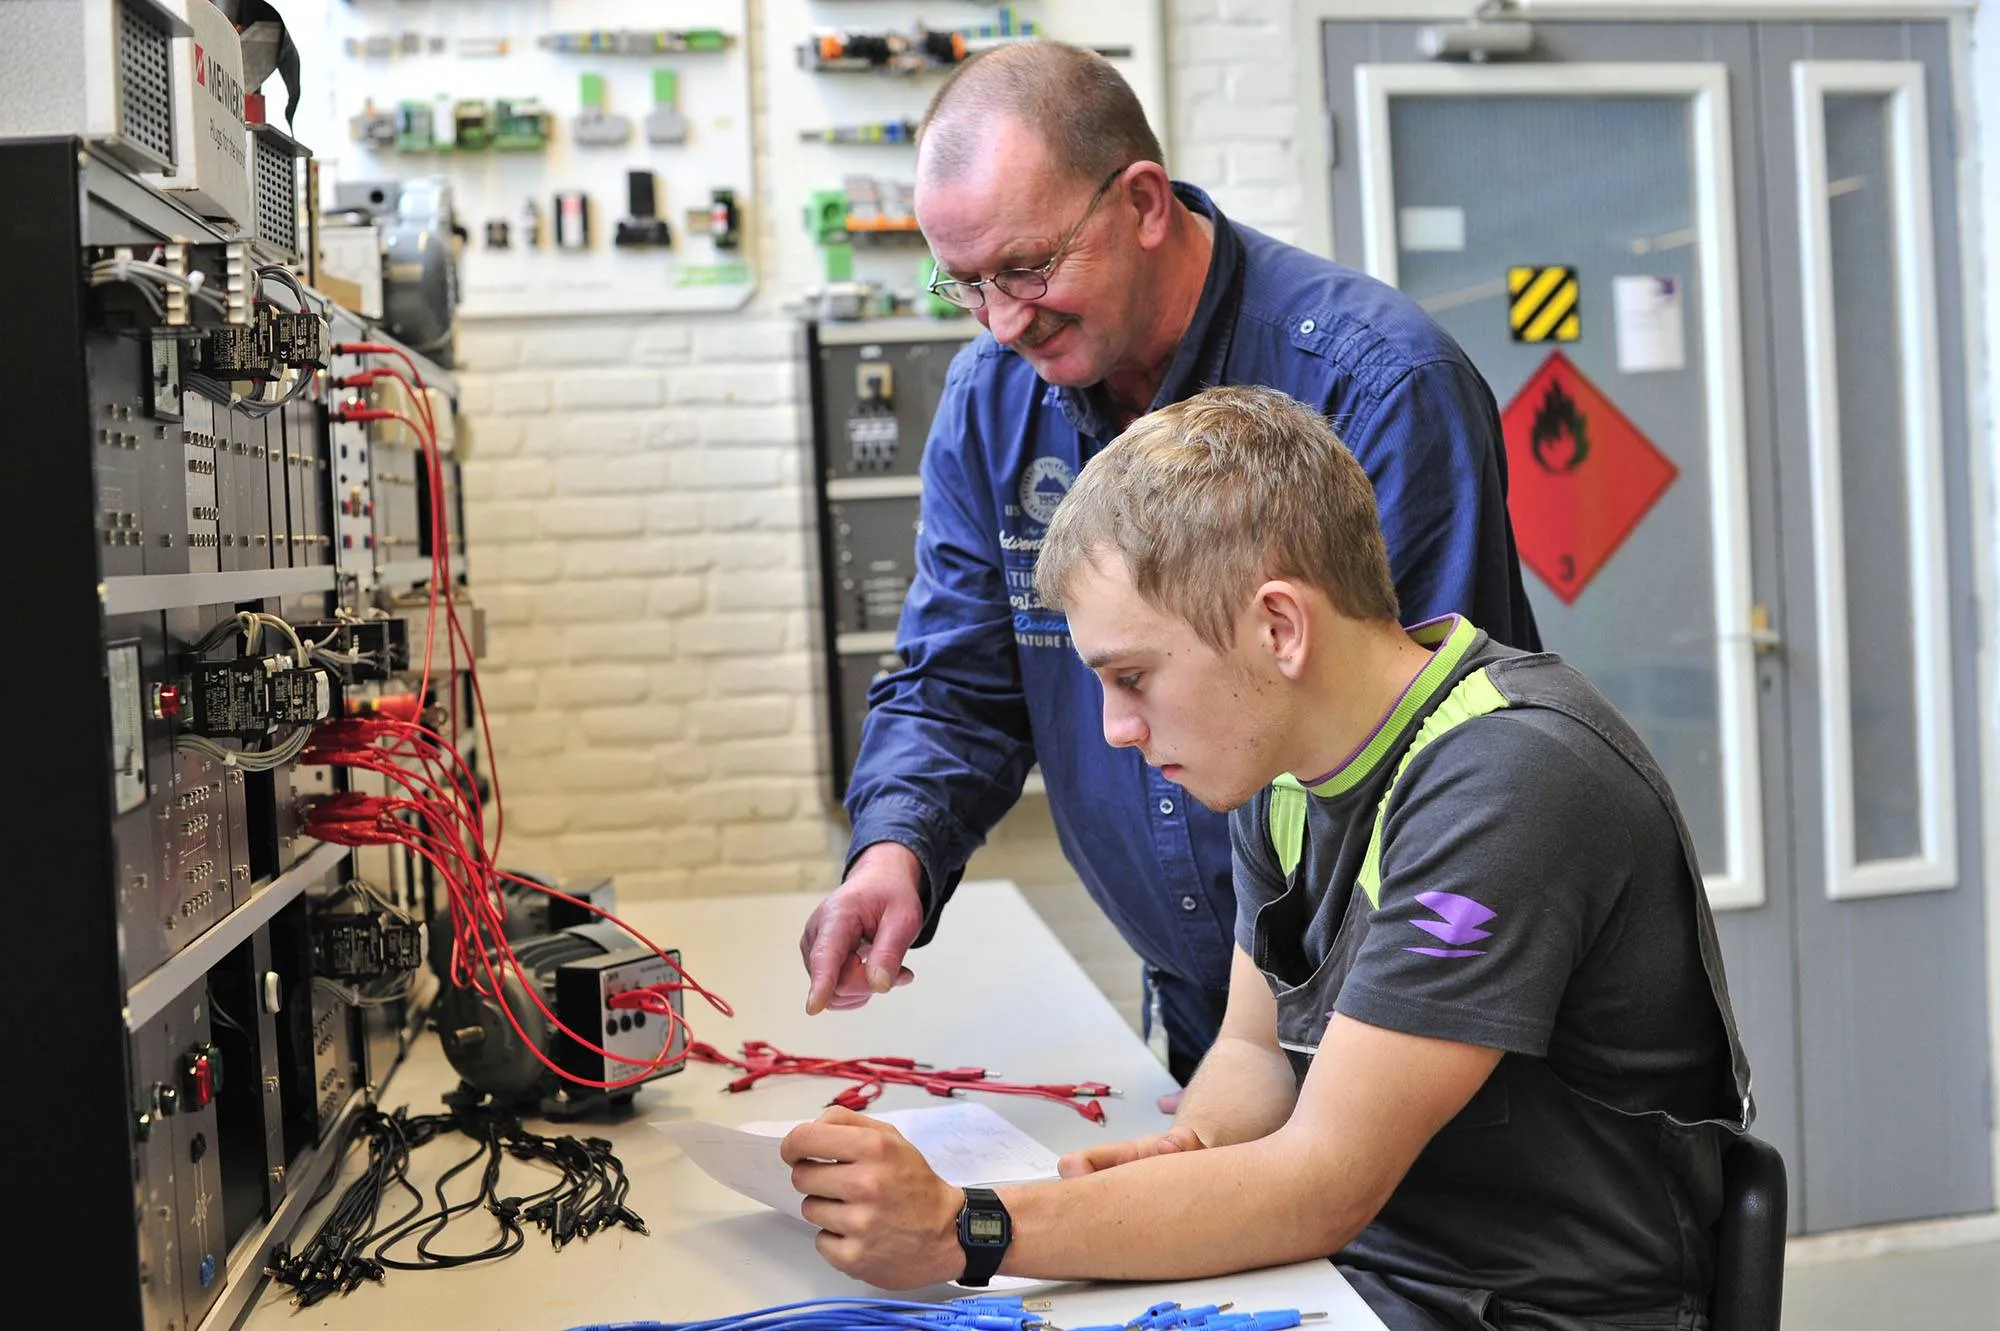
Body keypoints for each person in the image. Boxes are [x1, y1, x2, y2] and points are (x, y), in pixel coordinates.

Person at [781, 385, 1754, 1331]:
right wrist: (1191, 1150)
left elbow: (1321, 1181)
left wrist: (965, 1226)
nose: (1115, 728)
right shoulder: (1288, 769)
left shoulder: (1508, 782)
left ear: (1279, 626)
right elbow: (1253, 1051)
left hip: (1529, 1305)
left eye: (1131, 676)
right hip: (1370, 1272)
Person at [798, 41, 1541, 1094]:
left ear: (1141, 202)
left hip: (1396, 1009)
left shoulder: (1377, 386)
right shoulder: (989, 402)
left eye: (1026, 267)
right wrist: (895, 850)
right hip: (1208, 1017)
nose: (1004, 321)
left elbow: (1430, 764)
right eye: (965, 285)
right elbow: (956, 682)